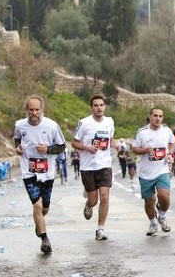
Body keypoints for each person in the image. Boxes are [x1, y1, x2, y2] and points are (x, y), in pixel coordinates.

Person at [14, 94, 66, 254]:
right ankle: (45, 239)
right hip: (28, 171)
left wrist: (48, 149)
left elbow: (62, 146)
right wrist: (18, 148)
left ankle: (39, 222)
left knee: (44, 208)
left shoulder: (51, 126)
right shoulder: (20, 125)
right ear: (26, 110)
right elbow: (17, 139)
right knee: (36, 205)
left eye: (37, 109)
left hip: (47, 172)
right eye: (31, 110)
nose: (34, 113)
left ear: (42, 109)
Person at [71, 94, 115, 241]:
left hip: (105, 165)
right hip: (88, 166)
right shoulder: (84, 123)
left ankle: (100, 229)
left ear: (105, 106)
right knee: (94, 200)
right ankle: (88, 204)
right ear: (92, 108)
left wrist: (116, 145)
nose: (99, 108)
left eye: (101, 105)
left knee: (104, 197)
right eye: (96, 105)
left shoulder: (109, 122)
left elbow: (110, 139)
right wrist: (87, 148)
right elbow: (74, 143)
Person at [132, 107, 175, 236]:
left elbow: (172, 143)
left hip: (162, 169)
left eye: (160, 116)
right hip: (146, 172)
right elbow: (134, 149)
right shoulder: (142, 132)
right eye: (155, 116)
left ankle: (162, 216)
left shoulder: (166, 131)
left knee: (164, 196)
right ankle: (152, 223)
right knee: (149, 201)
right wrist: (145, 150)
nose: (158, 118)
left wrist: (170, 154)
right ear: (150, 116)